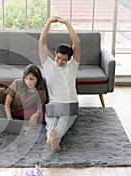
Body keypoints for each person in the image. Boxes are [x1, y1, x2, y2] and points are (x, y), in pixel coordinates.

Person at [39, 16, 81, 152]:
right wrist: (49, 22)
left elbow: (77, 44)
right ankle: (54, 138)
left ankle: (51, 137)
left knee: (55, 123)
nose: (60, 61)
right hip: (56, 104)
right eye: (58, 57)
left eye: (64, 59)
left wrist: (67, 23)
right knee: (58, 123)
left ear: (69, 59)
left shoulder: (72, 66)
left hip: (67, 103)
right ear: (55, 54)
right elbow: (41, 43)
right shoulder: (48, 64)